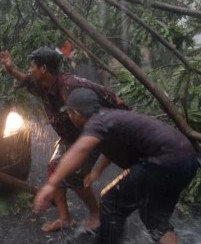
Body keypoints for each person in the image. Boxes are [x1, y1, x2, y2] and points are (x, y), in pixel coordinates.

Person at [34, 88, 198, 244]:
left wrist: (51, 184)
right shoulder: (109, 117)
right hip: (187, 161)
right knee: (154, 218)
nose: (69, 117)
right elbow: (111, 150)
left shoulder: (97, 122)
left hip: (164, 161)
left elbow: (81, 149)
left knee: (111, 203)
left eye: (69, 113)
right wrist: (97, 171)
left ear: (76, 113)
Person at [0, 47, 127, 232]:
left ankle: (96, 214)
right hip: (70, 137)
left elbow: (111, 100)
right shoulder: (42, 83)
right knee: (54, 169)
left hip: (90, 135)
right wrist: (10, 69)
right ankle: (65, 219)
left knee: (74, 176)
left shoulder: (70, 86)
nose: (29, 70)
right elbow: (26, 81)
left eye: (31, 66)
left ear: (43, 68)